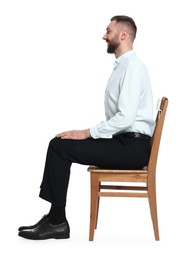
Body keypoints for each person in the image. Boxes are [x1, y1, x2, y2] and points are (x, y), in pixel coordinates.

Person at [18, 15, 155, 240]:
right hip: (126, 144)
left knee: (59, 147)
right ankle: (55, 218)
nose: (104, 35)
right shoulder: (125, 67)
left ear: (123, 35)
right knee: (60, 144)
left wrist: (86, 133)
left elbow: (126, 118)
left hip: (132, 148)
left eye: (108, 31)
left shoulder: (132, 67)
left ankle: (57, 222)